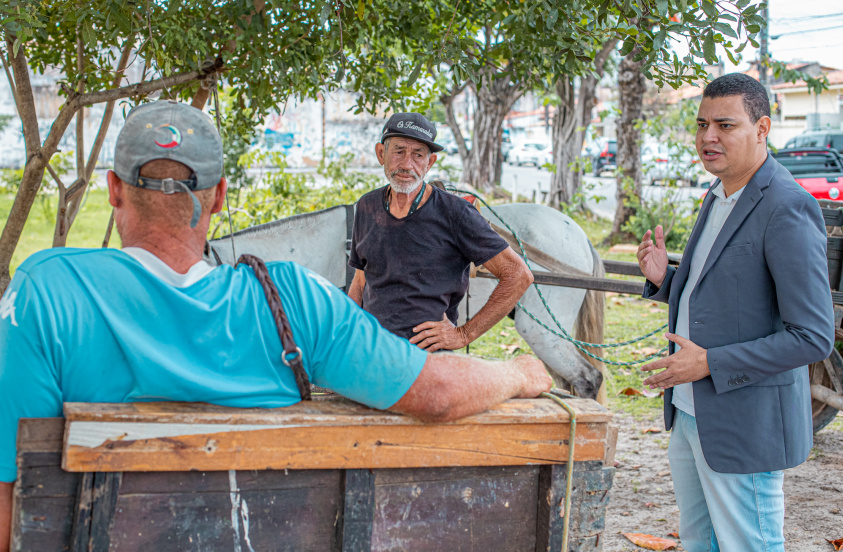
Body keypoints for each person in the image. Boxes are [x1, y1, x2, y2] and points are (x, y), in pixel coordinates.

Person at [0, 101, 552, 550]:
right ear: (218, 197)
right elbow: (437, 393)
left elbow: (9, 511)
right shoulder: (296, 302)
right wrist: (517, 373)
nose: (407, 162)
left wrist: (459, 334)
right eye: (399, 151)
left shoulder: (42, 293)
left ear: (114, 191)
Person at [636, 73, 834, 552]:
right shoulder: (720, 192)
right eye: (702, 124)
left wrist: (709, 363)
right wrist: (667, 280)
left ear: (762, 128)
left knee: (750, 544)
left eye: (725, 125)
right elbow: (727, 290)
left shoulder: (786, 207)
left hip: (744, 421)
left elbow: (812, 336)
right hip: (691, 412)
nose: (708, 137)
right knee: (698, 541)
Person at [348, 112, 534, 351]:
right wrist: (350, 331)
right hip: (374, 349)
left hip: (428, 356)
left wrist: (464, 335)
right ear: (381, 154)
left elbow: (518, 274)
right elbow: (361, 280)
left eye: (418, 155)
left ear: (430, 163)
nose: (407, 164)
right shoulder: (367, 206)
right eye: (398, 151)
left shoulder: (456, 213)